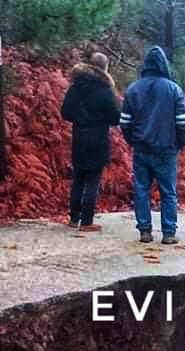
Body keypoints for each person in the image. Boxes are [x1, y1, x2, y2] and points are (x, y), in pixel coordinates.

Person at [120, 46, 185, 244]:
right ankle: (168, 233)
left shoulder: (134, 89)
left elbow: (125, 122)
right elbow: (182, 122)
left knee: (141, 189)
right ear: (164, 64)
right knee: (168, 191)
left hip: (141, 148)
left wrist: (132, 140)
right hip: (167, 149)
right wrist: (180, 143)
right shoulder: (174, 89)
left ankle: (144, 231)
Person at [60, 52, 121, 230]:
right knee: (93, 179)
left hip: (78, 136)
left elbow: (65, 112)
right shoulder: (105, 90)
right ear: (105, 68)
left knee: (78, 178)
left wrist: (81, 118)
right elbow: (115, 118)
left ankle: (73, 218)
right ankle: (87, 221)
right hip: (98, 137)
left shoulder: (76, 87)